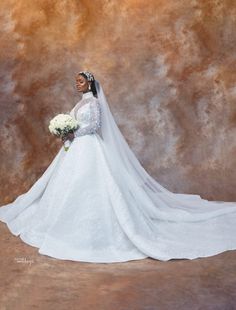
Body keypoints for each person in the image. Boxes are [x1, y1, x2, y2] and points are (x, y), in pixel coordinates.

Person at [0, 70, 236, 263]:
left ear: (90, 83)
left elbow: (94, 126)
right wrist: (65, 132)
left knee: (91, 184)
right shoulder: (80, 103)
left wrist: (71, 131)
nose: (77, 84)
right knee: (67, 183)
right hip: (76, 148)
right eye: (75, 82)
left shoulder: (93, 103)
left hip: (89, 147)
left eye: (80, 81)